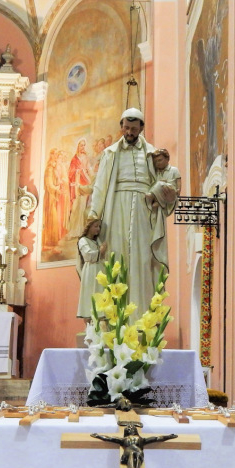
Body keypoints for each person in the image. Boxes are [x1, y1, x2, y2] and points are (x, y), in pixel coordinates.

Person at [88, 108, 166, 313]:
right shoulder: (110, 153)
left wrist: (157, 194)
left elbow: (162, 180)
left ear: (142, 128)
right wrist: (93, 215)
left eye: (134, 128)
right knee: (116, 254)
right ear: (121, 126)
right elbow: (100, 185)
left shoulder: (152, 153)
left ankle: (142, 314)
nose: (130, 132)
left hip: (143, 207)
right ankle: (115, 315)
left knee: (143, 256)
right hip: (116, 206)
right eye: (126, 128)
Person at [90, 422, 178, 468]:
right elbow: (110, 438)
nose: (130, 428)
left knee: (137, 453)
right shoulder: (124, 439)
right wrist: (98, 436)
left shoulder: (141, 439)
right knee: (132, 452)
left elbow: (156, 438)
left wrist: (169, 436)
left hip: (138, 451)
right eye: (129, 428)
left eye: (132, 428)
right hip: (128, 451)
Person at [76, 218, 107, 322]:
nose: (98, 229)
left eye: (99, 226)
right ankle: (91, 321)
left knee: (100, 292)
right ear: (89, 227)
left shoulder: (96, 241)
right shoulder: (83, 240)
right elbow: (88, 255)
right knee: (91, 294)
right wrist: (100, 251)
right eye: (96, 226)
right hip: (90, 270)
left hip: (99, 270)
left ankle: (100, 317)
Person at [65, 139, 92, 238]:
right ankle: (73, 230)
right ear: (78, 146)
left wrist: (88, 174)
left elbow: (89, 169)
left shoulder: (86, 157)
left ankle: (81, 230)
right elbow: (70, 172)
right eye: (81, 145)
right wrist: (77, 171)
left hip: (84, 184)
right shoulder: (75, 158)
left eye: (84, 145)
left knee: (82, 208)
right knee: (75, 208)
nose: (83, 147)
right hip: (76, 185)